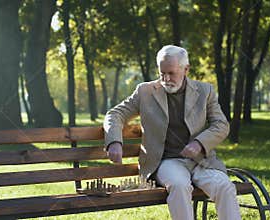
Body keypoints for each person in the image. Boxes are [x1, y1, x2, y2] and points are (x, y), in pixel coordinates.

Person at [103, 45, 241, 220]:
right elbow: (115, 114)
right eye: (162, 73)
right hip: (166, 162)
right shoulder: (145, 91)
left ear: (186, 69)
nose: (166, 79)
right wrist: (114, 141)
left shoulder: (205, 91)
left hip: (201, 161)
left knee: (224, 185)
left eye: (171, 73)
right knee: (179, 185)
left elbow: (221, 124)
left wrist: (199, 143)